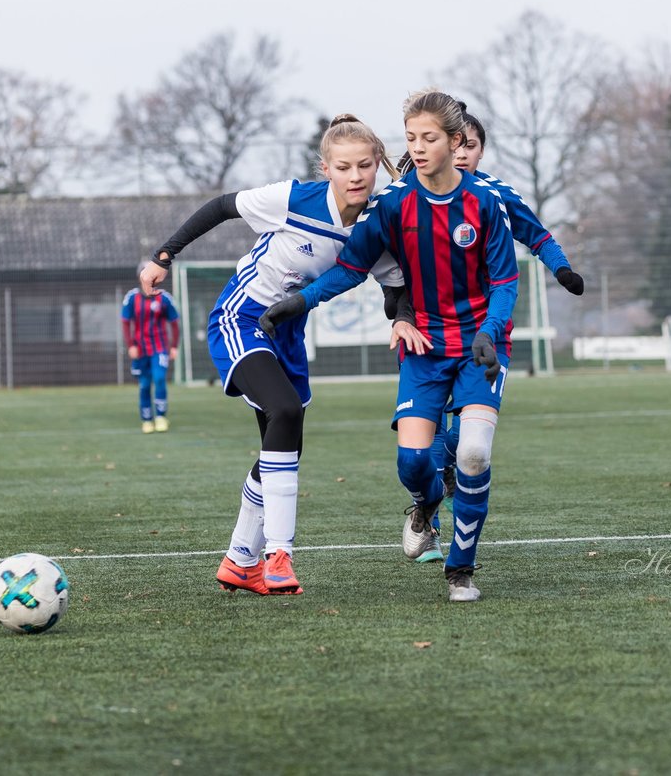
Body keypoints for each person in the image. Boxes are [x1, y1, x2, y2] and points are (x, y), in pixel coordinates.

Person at [261, 89, 519, 602]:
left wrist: (490, 334)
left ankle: (460, 569)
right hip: (423, 349)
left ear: (455, 141)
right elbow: (353, 266)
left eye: (429, 138)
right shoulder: (393, 203)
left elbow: (506, 281)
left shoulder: (486, 201)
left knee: (470, 453)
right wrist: (303, 300)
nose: (418, 148)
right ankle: (425, 507)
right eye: (410, 138)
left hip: (479, 350)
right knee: (413, 464)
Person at [138, 115, 402, 595]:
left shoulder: (375, 226)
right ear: (327, 168)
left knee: (283, 442)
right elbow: (221, 207)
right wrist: (163, 256)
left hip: (287, 334)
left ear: (377, 167)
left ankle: (240, 560)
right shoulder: (295, 198)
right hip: (240, 318)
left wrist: (401, 315)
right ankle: (279, 555)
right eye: (344, 166)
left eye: (365, 165)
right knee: (283, 411)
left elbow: (393, 285)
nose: (356, 175)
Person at [389, 104, 586, 563]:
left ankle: (452, 525)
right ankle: (426, 515)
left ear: (472, 148)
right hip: (425, 336)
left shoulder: (493, 197)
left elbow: (538, 236)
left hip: (482, 337)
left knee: (465, 444)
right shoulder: (403, 195)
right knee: (424, 447)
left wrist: (562, 269)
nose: (461, 155)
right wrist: (398, 311)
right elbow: (387, 265)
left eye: (471, 147)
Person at [121, 272, 181, 433]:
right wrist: (130, 345)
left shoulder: (165, 298)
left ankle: (161, 417)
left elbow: (174, 323)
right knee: (144, 385)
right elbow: (125, 322)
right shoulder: (132, 298)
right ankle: (147, 419)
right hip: (140, 349)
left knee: (160, 378)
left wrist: (174, 346)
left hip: (160, 348)